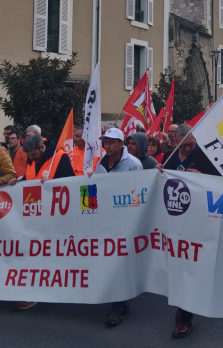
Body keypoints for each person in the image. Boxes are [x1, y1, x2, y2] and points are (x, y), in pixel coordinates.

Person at [158, 124, 220, 338]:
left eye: (192, 145)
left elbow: (219, 185)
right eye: (184, 146)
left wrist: (201, 176)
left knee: (190, 264)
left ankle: (186, 315)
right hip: (172, 220)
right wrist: (157, 172)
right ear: (175, 141)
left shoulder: (204, 157)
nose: (188, 149)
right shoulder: (168, 156)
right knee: (175, 263)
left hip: (196, 220)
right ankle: (181, 304)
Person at [11, 133, 74, 311]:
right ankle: (34, 291)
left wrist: (53, 183)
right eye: (29, 156)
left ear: (42, 147)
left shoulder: (60, 157)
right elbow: (32, 177)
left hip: (54, 216)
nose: (31, 159)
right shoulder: (32, 158)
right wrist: (20, 180)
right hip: (34, 214)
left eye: (33, 155)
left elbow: (71, 182)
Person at [92, 128, 142, 326]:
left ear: (121, 144)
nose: (108, 145)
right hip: (106, 220)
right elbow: (94, 190)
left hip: (126, 220)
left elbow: (140, 192)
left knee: (119, 261)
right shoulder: (101, 163)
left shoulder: (133, 164)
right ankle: (118, 299)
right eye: (105, 142)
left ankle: (119, 307)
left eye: (112, 142)